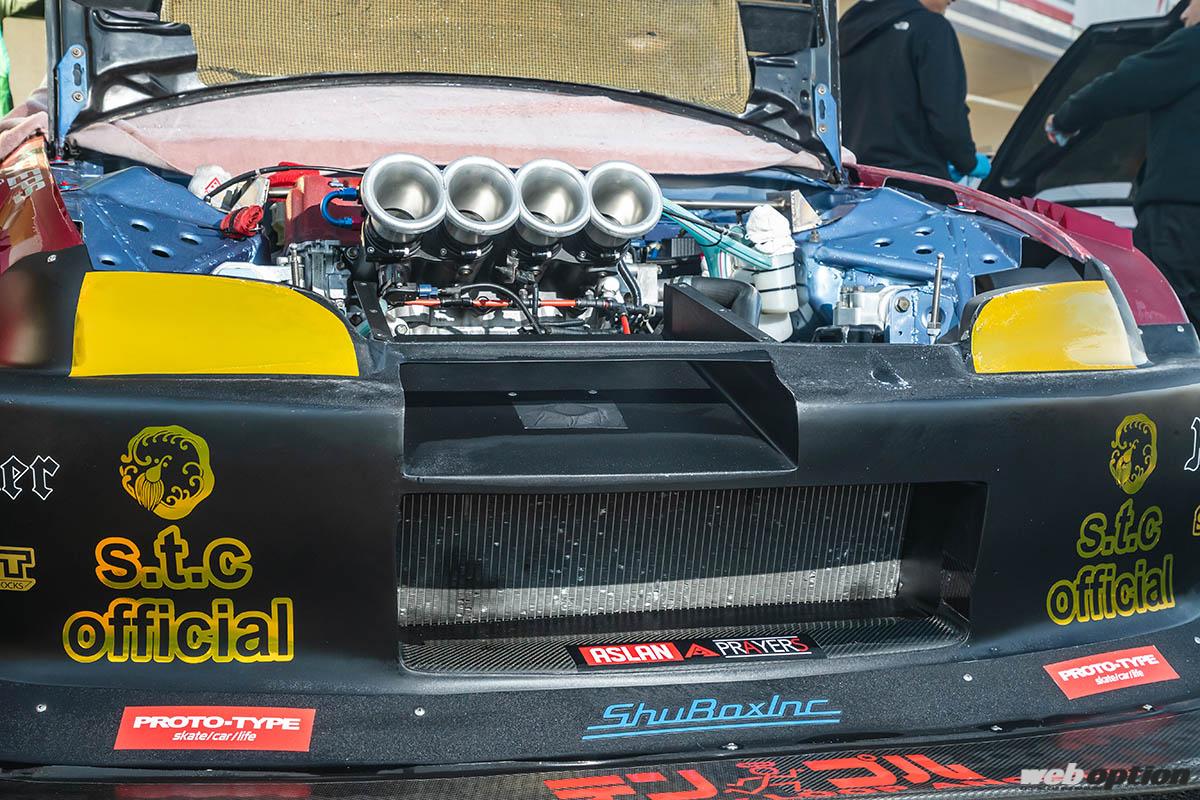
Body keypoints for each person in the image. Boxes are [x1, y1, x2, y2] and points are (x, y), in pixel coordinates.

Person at [1046, 0, 1200, 321]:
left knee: (1166, 319)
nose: (1184, 14)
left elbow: (1125, 85)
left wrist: (1064, 119)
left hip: (1180, 218)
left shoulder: (1194, 45)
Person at [839, 0, 990, 183]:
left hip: (855, 181)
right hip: (914, 183)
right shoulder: (931, 27)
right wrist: (968, 161)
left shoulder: (843, 31)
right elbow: (946, 113)